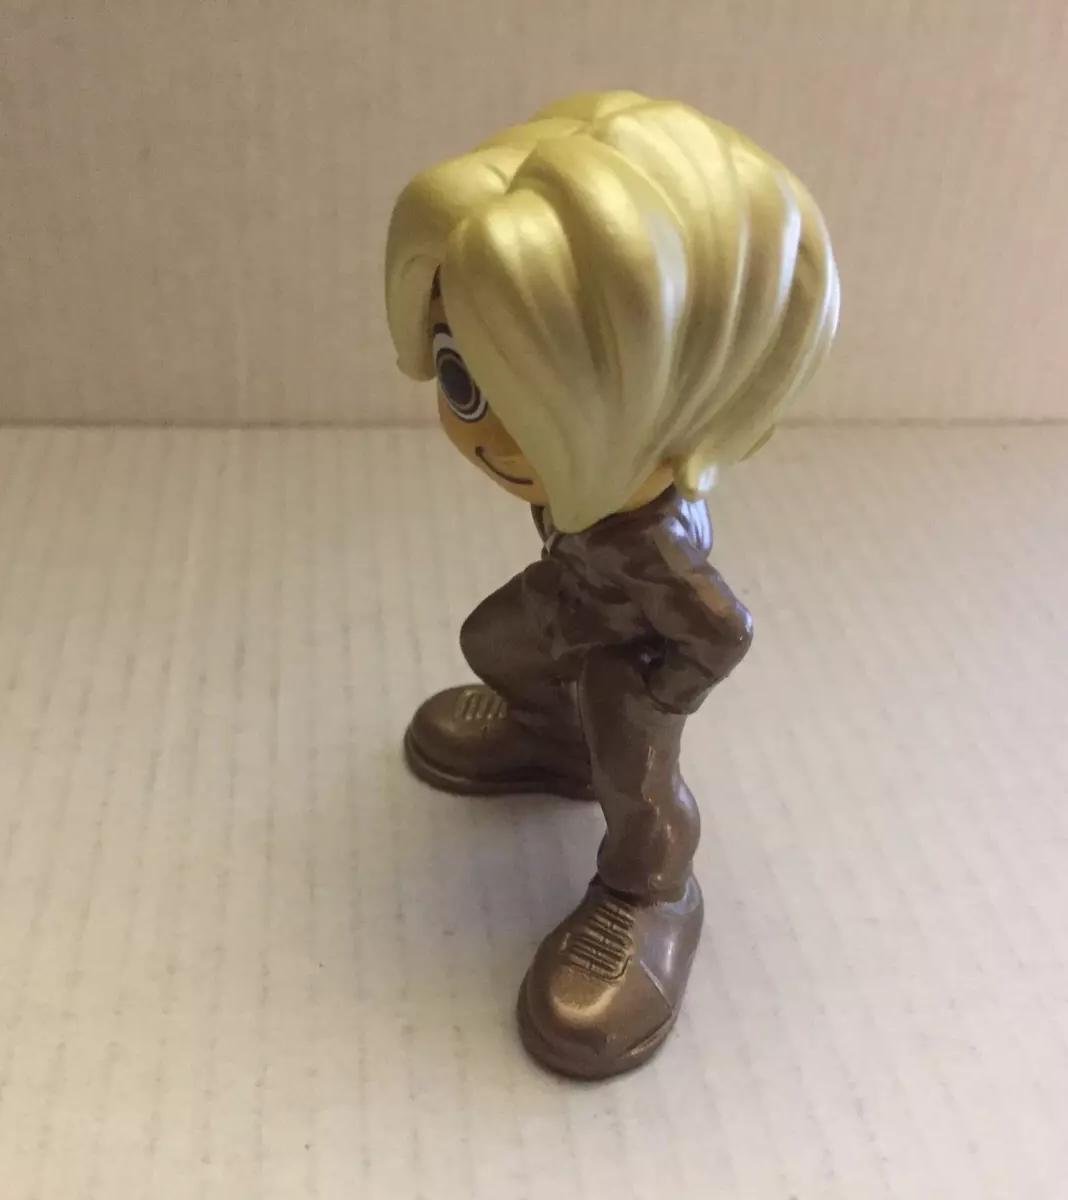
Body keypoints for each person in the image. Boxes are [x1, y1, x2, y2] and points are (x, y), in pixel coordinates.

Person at [384, 90, 839, 1079]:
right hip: (575, 599)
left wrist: (649, 694)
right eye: (462, 377)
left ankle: (652, 893)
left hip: (633, 653)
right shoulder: (577, 491)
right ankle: (551, 740)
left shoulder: (654, 539)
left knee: (636, 784)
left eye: (508, 392)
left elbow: (721, 630)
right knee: (493, 642)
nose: (472, 426)